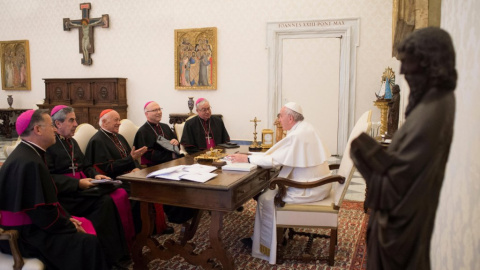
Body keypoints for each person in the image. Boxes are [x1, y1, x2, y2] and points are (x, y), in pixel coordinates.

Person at [349, 27, 457, 270]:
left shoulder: (432, 113)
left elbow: (395, 189)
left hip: (401, 232)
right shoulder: (430, 104)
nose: (403, 72)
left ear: (431, 64)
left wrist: (364, 153)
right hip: (404, 224)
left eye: (409, 65)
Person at [0, 109, 108, 269]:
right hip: (24, 235)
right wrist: (69, 225)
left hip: (32, 227)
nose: (55, 130)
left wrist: (67, 219)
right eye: (51, 126)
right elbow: (40, 213)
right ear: (37, 130)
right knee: (88, 243)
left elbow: (44, 206)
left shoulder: (30, 154)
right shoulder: (29, 162)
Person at [229, 102, 332, 264]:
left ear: (290, 118)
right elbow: (283, 155)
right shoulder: (305, 128)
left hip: (308, 189)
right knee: (267, 191)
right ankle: (265, 236)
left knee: (265, 198)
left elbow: (275, 160)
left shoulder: (297, 135)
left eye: (280, 116)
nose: (278, 120)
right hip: (317, 184)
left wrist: (247, 158)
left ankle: (265, 245)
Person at [45, 105, 134, 265]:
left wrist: (95, 175)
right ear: (58, 124)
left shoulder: (71, 142)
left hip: (81, 187)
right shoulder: (50, 145)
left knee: (107, 199)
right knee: (104, 202)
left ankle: (116, 254)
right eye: (72, 120)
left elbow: (85, 166)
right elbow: (48, 178)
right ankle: (107, 257)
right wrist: (77, 183)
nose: (75, 124)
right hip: (66, 195)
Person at [84, 109, 172, 234]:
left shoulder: (119, 137)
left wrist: (136, 166)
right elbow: (107, 168)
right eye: (116, 120)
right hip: (114, 179)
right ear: (104, 122)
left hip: (129, 174)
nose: (119, 123)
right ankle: (140, 230)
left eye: (119, 120)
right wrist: (131, 161)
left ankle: (155, 225)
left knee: (154, 183)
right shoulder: (97, 141)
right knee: (138, 193)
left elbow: (131, 156)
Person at [133, 101, 196, 224]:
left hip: (171, 163)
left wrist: (175, 142)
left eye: (159, 109)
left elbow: (176, 144)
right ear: (146, 114)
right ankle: (176, 215)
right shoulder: (142, 132)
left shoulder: (165, 127)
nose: (159, 112)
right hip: (154, 167)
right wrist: (169, 155)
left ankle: (190, 209)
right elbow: (147, 154)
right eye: (155, 110)